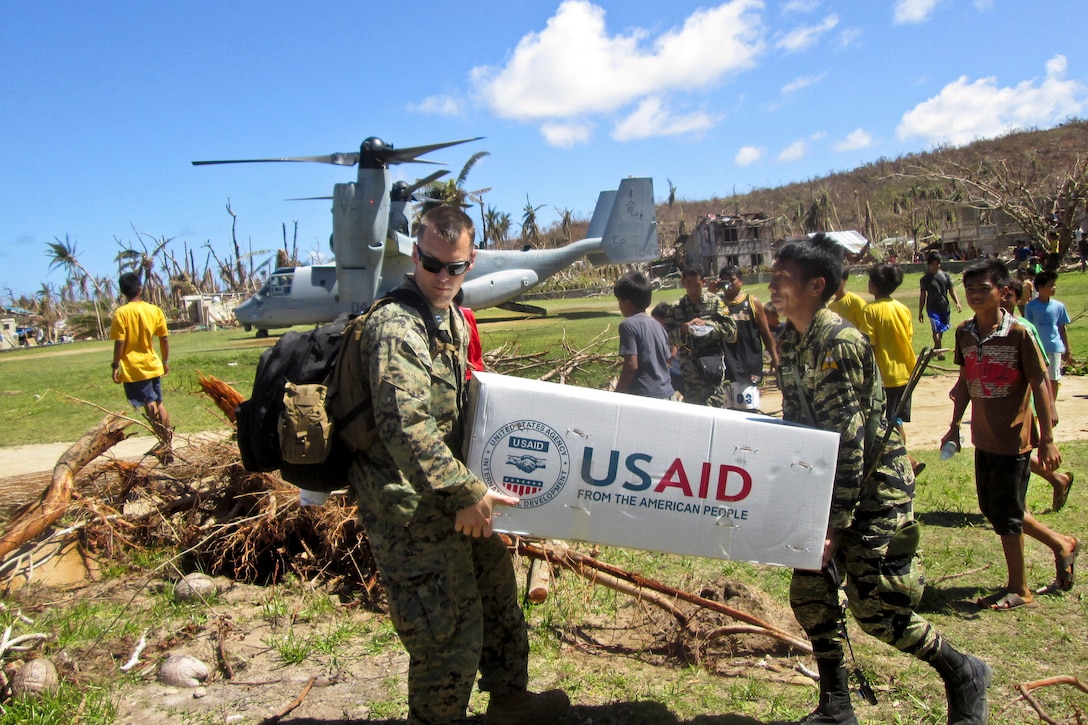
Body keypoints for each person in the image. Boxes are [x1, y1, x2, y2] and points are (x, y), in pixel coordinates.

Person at [344, 206, 569, 725]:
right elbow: (406, 427)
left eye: (457, 267)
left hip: (456, 493)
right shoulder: (396, 326)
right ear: (415, 254)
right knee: (447, 637)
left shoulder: (449, 315)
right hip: (410, 509)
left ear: (471, 262)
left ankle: (510, 702)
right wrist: (465, 493)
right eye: (433, 264)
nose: (444, 277)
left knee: (497, 604)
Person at [770, 234, 990, 725]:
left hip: (872, 492)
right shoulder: (790, 339)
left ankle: (964, 672)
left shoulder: (839, 342)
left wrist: (831, 523)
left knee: (878, 612)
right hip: (826, 492)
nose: (772, 285)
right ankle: (836, 707)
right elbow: (798, 428)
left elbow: (849, 442)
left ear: (815, 286)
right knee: (810, 596)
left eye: (782, 278)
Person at [940, 259, 1080, 611]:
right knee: (995, 509)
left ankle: (1020, 588)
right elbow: (964, 384)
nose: (974, 295)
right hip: (983, 438)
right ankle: (1061, 543)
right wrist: (954, 426)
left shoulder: (1020, 333)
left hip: (1013, 439)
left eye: (982, 289)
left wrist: (1047, 438)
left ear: (1003, 292)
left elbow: (1040, 383)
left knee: (1007, 514)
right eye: (969, 289)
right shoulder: (965, 333)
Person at [1001, 278, 1074, 512]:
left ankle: (1023, 507)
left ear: (1017, 298)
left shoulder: (1024, 327)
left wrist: (1049, 406)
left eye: (1009, 296)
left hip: (1026, 403)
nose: (1004, 300)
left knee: (1016, 452)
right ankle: (1056, 480)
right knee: (1013, 450)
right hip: (1006, 402)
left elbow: (1040, 373)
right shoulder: (994, 326)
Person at [856, 264, 924, 476]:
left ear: (874, 285)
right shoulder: (902, 308)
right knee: (895, 418)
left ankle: (905, 460)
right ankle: (904, 459)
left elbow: (868, 344)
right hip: (905, 371)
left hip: (884, 375)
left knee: (886, 421)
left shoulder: (870, 310)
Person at [110, 272, 172, 457]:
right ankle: (167, 440)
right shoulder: (154, 310)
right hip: (153, 363)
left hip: (135, 367)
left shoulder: (122, 313)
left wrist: (115, 365)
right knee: (158, 402)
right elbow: (164, 338)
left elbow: (119, 342)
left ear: (122, 291)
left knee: (150, 403)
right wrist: (165, 360)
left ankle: (164, 442)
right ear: (140, 288)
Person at [661, 265, 737, 407]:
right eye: (689, 285)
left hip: (711, 368)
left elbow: (731, 329)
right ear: (683, 283)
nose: (693, 289)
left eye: (696, 284)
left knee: (715, 409)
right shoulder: (677, 307)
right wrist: (683, 330)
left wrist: (708, 326)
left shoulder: (714, 302)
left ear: (703, 282)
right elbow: (668, 337)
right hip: (689, 372)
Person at [714, 265, 779, 411]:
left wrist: (774, 356)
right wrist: (712, 291)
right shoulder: (716, 303)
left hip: (748, 364)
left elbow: (765, 332)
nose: (729, 285)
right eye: (725, 281)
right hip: (725, 366)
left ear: (741, 281)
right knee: (726, 410)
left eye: (732, 280)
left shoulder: (752, 302)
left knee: (747, 409)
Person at [613, 271, 674, 399]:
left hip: (646, 396)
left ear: (628, 303)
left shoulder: (628, 325)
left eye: (619, 301)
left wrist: (617, 395)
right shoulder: (657, 324)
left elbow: (631, 365)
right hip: (668, 393)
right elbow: (669, 357)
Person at [1024, 271, 1071, 406]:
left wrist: (1067, 349)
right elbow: (1028, 328)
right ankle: (1039, 404)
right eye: (1051, 285)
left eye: (1054, 285)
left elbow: (1062, 328)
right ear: (1040, 287)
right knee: (1037, 378)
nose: (1054, 288)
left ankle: (1051, 405)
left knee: (1053, 378)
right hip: (1037, 347)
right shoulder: (1031, 306)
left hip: (1054, 347)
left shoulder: (1059, 306)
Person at [918, 252, 962, 357]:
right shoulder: (925, 279)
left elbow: (951, 290)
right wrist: (920, 311)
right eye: (933, 264)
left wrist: (957, 302)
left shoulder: (946, 276)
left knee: (941, 329)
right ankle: (939, 351)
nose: (935, 266)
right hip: (932, 308)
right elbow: (923, 295)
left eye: (937, 263)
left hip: (944, 307)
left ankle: (937, 347)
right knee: (936, 329)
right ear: (929, 265)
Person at [651, 301, 684, 397]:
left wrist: (663, 364)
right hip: (677, 371)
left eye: (656, 321)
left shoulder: (668, 331)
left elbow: (673, 353)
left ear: (665, 319)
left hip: (675, 372)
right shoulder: (669, 330)